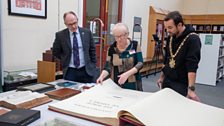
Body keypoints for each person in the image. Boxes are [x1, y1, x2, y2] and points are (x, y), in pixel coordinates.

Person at [157, 11, 201, 101]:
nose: (168, 31)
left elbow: (192, 66)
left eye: (170, 27)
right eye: (166, 28)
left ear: (179, 25)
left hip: (181, 83)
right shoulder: (171, 37)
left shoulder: (193, 39)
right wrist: (161, 77)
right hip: (167, 80)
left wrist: (191, 89)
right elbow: (167, 60)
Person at [52, 11, 98, 83]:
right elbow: (55, 51)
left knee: (88, 92)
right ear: (65, 24)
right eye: (70, 24)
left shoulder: (87, 33)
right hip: (70, 71)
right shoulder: (60, 35)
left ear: (77, 20)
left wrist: (93, 65)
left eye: (75, 23)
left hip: (86, 70)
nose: (73, 26)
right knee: (70, 92)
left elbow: (92, 50)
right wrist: (65, 58)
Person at [96, 23, 144, 91]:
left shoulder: (135, 45)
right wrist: (101, 76)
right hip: (116, 83)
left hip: (133, 83)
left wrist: (126, 74)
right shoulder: (111, 48)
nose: (118, 39)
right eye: (116, 37)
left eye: (120, 36)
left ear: (127, 34)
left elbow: (140, 63)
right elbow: (108, 66)